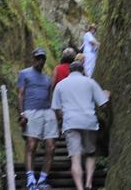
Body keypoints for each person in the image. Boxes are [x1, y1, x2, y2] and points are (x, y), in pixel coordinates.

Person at [52, 60, 110, 190]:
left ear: (70, 71)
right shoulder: (90, 82)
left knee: (75, 158)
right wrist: (105, 98)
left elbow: (56, 109)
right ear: (82, 70)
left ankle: (79, 188)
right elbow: (103, 104)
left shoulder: (60, 85)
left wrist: (62, 119)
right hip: (88, 121)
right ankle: (89, 183)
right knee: (90, 154)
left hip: (70, 122)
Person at [17, 48, 57, 190]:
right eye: (38, 58)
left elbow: (50, 97)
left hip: (48, 112)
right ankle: (30, 180)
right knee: (31, 145)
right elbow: (21, 94)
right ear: (33, 59)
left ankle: (42, 180)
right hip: (31, 111)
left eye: (42, 59)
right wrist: (22, 114)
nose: (40, 61)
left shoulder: (47, 79)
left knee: (51, 147)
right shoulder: (24, 74)